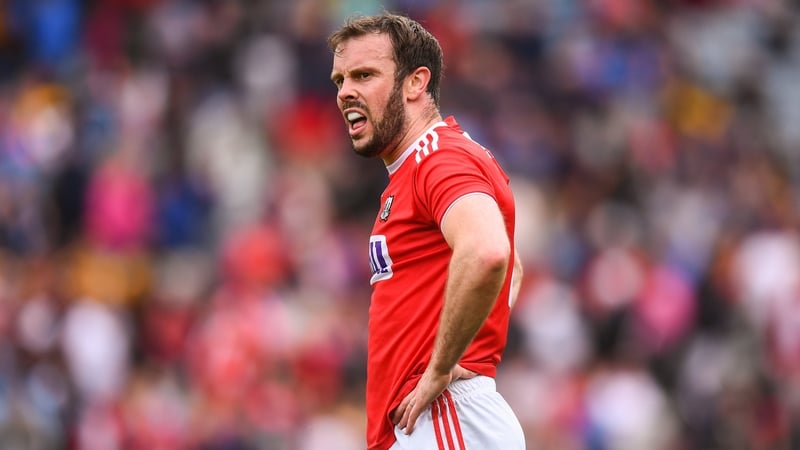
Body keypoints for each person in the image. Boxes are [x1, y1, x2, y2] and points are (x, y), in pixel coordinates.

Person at [328, 12, 525, 450]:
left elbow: (490, 253)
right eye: (340, 79)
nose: (345, 92)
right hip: (438, 421)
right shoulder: (420, 166)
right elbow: (512, 268)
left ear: (416, 82)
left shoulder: (438, 159)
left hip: (447, 417)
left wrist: (443, 366)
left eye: (364, 75)